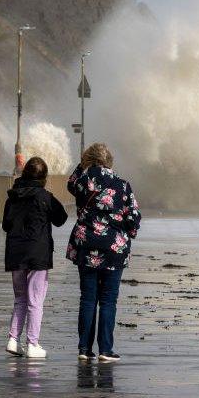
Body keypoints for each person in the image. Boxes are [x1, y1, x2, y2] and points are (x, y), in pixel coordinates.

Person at [66, 143, 141, 363]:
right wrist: (127, 233)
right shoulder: (123, 186)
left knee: (88, 299)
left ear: (87, 161)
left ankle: (84, 349)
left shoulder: (81, 183)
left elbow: (70, 182)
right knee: (108, 300)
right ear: (110, 162)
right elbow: (133, 218)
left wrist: (83, 165)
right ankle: (105, 351)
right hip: (113, 249)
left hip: (86, 245)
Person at [2, 156, 69, 358]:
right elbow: (61, 219)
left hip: (15, 254)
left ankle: (13, 340)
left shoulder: (12, 197)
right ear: (44, 178)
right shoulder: (45, 197)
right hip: (37, 255)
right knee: (35, 300)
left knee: (20, 298)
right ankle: (33, 343)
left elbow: (6, 225)